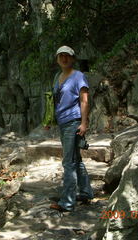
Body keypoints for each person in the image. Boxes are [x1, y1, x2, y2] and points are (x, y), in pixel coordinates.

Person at [48, 45, 94, 212]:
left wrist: (84, 123)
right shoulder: (57, 77)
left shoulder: (78, 76)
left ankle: (67, 202)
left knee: (69, 162)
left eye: (67, 56)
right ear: (57, 59)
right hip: (62, 122)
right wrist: (49, 119)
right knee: (76, 159)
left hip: (73, 122)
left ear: (73, 59)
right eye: (61, 56)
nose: (64, 59)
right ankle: (86, 192)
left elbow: (84, 101)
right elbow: (54, 100)